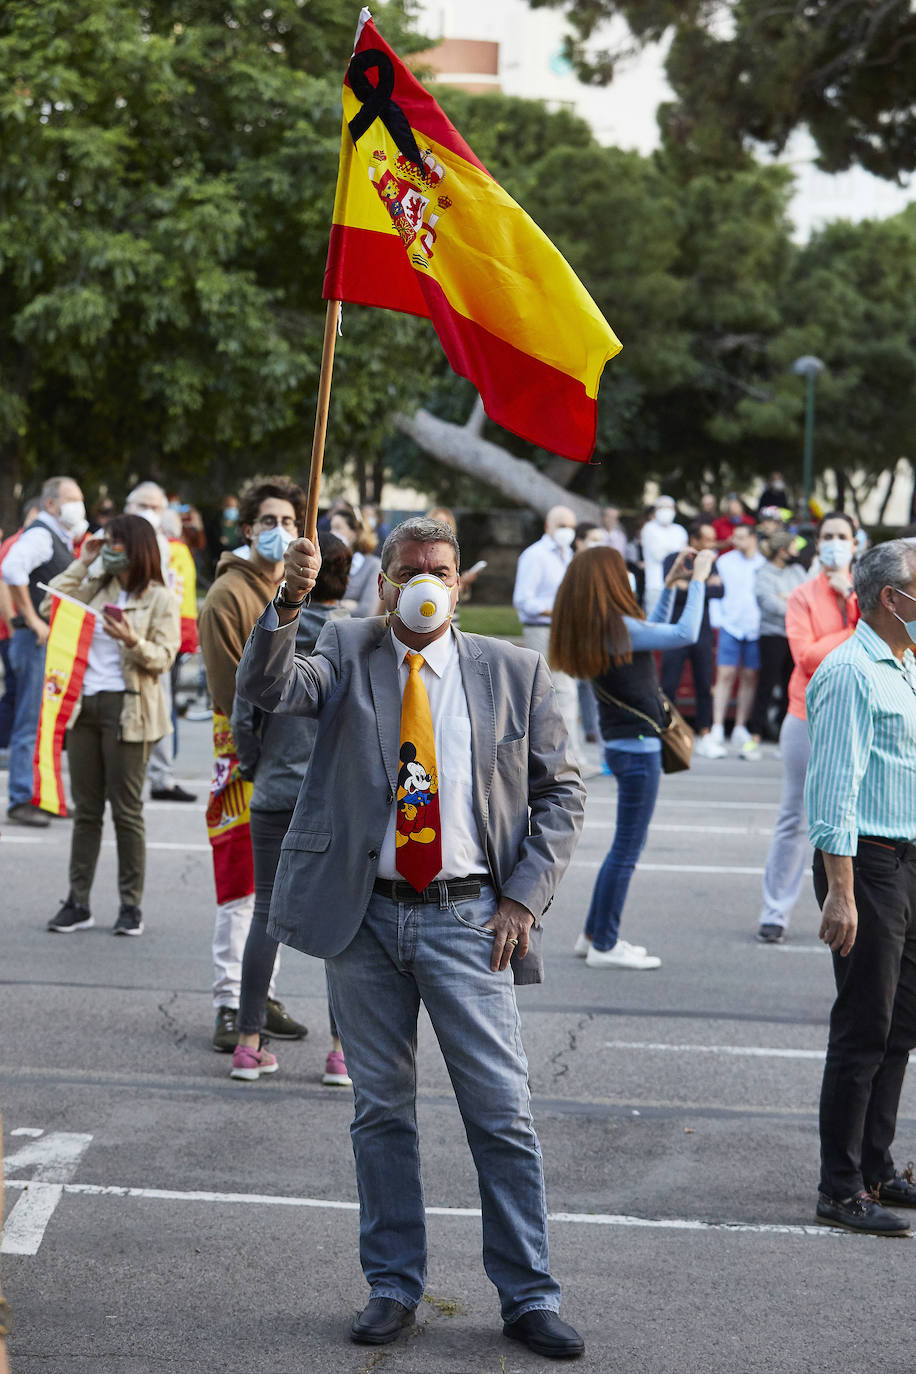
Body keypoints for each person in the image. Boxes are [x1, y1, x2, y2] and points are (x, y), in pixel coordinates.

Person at [236, 516, 586, 1359]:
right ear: (383, 583)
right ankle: (393, 1285)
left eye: (438, 569)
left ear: (461, 582)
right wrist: (288, 598)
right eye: (405, 570)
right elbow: (269, 690)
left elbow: (561, 796)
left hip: (471, 920)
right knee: (380, 1113)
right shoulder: (345, 648)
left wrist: (524, 903)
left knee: (501, 1115)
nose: (422, 581)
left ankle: (528, 1294)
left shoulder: (515, 670)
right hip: (365, 915)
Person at [805, 539, 916, 1237]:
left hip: (907, 859)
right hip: (866, 862)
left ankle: (876, 1165)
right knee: (863, 1026)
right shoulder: (849, 672)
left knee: (902, 1023)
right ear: (891, 598)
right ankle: (840, 1186)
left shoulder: (903, 665)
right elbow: (834, 793)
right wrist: (839, 891)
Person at [551, 544, 716, 970]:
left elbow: (651, 627)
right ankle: (605, 943)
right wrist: (698, 580)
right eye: (621, 572)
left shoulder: (604, 626)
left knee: (623, 846)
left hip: (624, 747)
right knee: (626, 849)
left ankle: (592, 935)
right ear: (607, 580)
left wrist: (672, 584)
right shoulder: (614, 627)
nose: (627, 576)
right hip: (638, 751)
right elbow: (683, 635)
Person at [230, 532, 353, 1085]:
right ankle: (340, 1052)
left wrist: (257, 767)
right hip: (331, 800)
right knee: (342, 925)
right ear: (348, 578)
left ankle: (248, 1042)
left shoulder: (270, 631)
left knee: (265, 918)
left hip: (276, 791)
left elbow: (243, 714)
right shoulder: (354, 639)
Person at [198, 475, 308, 1052]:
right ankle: (228, 1002)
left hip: (274, 758)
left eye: (289, 522)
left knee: (272, 891)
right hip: (242, 756)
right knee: (242, 886)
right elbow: (237, 696)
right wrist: (257, 762)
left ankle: (257, 996)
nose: (280, 532)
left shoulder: (281, 589)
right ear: (247, 529)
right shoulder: (228, 596)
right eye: (269, 522)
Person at [42, 516, 180, 935]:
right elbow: (51, 608)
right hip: (84, 708)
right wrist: (82, 564)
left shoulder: (160, 598)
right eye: (107, 542)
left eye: (118, 543)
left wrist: (131, 640)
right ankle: (78, 901)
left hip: (130, 710)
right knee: (86, 811)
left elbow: (164, 658)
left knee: (126, 812)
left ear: (137, 549)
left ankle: (129, 906)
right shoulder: (97, 585)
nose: (110, 549)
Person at [756, 513, 858, 943]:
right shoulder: (802, 595)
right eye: (828, 536)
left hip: (856, 712)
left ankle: (859, 907)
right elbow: (807, 658)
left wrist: (853, 603)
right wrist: (857, 629)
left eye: (842, 537)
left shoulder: (871, 592)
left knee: (856, 817)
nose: (835, 543)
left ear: (856, 543)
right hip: (806, 712)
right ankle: (775, 912)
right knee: (794, 817)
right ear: (817, 543)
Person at [1, 475, 88, 825]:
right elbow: (10, 568)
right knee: (31, 721)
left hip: (47, 643)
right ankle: (23, 798)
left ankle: (45, 796)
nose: (77, 506)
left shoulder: (59, 537)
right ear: (51, 503)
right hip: (35, 641)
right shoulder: (41, 534)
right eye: (71, 498)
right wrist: (32, 620)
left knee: (45, 721)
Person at [125, 481, 197, 803]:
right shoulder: (109, 540)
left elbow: (171, 595)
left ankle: (161, 777)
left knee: (162, 707)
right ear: (129, 507)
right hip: (119, 637)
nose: (150, 513)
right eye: (144, 506)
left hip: (154, 639)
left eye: (156, 507)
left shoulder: (165, 546)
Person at [512, 504, 582, 761]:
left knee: (563, 691)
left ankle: (565, 752)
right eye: (562, 525)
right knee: (557, 691)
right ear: (548, 527)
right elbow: (523, 600)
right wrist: (555, 611)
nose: (568, 531)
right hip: (542, 630)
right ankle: (564, 754)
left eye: (571, 526)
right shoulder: (536, 555)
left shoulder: (568, 554)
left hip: (564, 630)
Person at [660, 520, 724, 758]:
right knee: (669, 684)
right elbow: (672, 587)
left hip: (702, 632)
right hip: (675, 630)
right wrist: (702, 582)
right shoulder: (673, 559)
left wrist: (691, 584)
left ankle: (705, 733)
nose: (712, 543)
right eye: (707, 538)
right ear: (694, 539)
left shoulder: (710, 562)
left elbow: (721, 591)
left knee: (704, 685)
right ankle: (666, 733)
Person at [708, 525, 765, 759]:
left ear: (753, 538)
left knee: (750, 677)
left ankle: (740, 725)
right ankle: (718, 725)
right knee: (725, 674)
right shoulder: (725, 561)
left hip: (755, 626)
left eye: (741, 537)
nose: (736, 540)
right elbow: (716, 592)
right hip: (730, 624)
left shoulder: (763, 562)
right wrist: (718, 620)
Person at [748, 530, 807, 743]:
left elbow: (807, 597)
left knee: (791, 684)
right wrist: (794, 601)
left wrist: (786, 598)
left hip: (795, 635)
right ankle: (755, 731)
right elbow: (769, 604)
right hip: (772, 635)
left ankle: (783, 730)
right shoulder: (764, 572)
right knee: (767, 683)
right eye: (793, 547)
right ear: (782, 551)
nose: (797, 551)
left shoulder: (798, 570)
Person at [0, 498, 40, 751]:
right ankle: (4, 744)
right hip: (13, 632)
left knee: (20, 693)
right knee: (17, 692)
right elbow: (4, 587)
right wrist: (13, 629)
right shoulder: (18, 544)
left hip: (19, 631)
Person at [330, 506, 382, 617]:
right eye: (331, 528)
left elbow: (367, 612)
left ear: (355, 532)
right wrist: (345, 605)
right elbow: (314, 605)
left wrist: (333, 605)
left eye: (338, 528)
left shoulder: (373, 565)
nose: (332, 532)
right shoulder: (328, 562)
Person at [640, 495, 687, 609]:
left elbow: (684, 556)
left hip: (677, 586)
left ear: (674, 510)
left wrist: (671, 551)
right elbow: (660, 556)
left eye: (668, 507)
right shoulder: (649, 528)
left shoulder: (680, 530)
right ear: (655, 511)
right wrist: (676, 551)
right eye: (662, 507)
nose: (665, 511)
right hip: (655, 585)